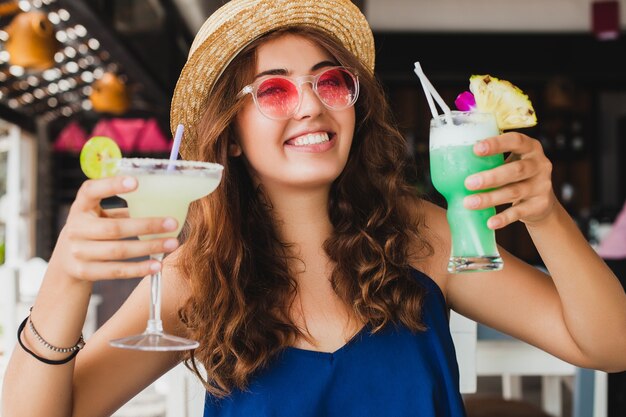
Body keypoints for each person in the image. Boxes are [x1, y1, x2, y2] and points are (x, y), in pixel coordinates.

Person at [3, 0, 626, 416]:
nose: (311, 106)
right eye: (273, 90)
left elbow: (611, 346)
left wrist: (545, 217)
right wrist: (65, 279)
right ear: (233, 136)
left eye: (330, 82)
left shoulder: (419, 238)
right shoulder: (200, 277)